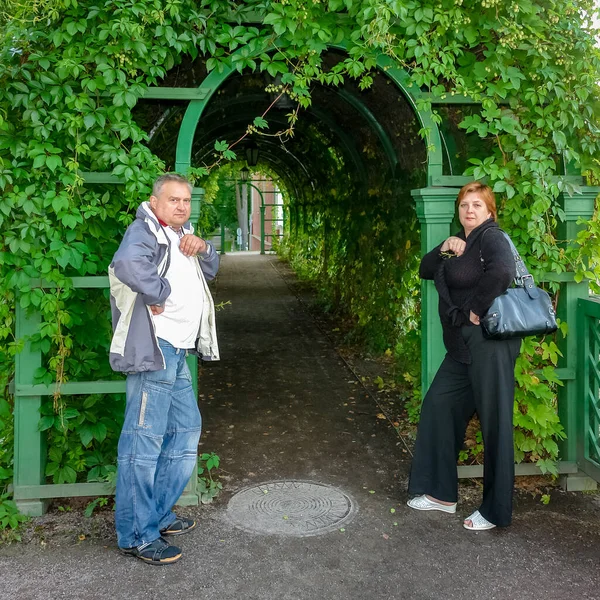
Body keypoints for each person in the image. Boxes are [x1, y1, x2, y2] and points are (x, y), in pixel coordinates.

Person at [108, 173, 220, 564]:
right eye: (174, 200)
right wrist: (158, 292)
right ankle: (137, 535)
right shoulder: (144, 231)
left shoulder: (181, 233)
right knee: (143, 443)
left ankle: (156, 516)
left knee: (186, 431)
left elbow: (212, 268)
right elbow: (126, 263)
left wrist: (203, 247)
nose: (182, 206)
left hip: (178, 352)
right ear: (155, 202)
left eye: (186, 201)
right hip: (156, 349)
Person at [407, 181, 521, 531]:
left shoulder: (491, 238)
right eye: (464, 205)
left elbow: (503, 273)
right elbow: (425, 269)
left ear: (489, 210)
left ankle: (494, 511)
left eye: (477, 205)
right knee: (438, 406)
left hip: (490, 343)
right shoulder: (462, 241)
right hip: (462, 349)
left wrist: (474, 309)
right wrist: (445, 247)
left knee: (495, 424)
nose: (469, 211)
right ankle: (441, 495)